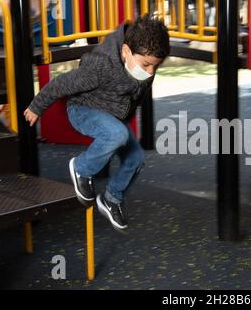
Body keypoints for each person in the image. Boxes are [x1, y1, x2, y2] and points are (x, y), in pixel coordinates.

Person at [23, 15, 170, 233]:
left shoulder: (145, 71)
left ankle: (112, 198)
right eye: (146, 64)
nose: (150, 72)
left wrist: (123, 126)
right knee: (117, 135)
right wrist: (37, 106)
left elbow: (134, 100)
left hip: (111, 118)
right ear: (126, 51)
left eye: (155, 67)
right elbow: (63, 83)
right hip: (83, 109)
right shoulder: (101, 66)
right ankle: (81, 168)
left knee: (136, 158)